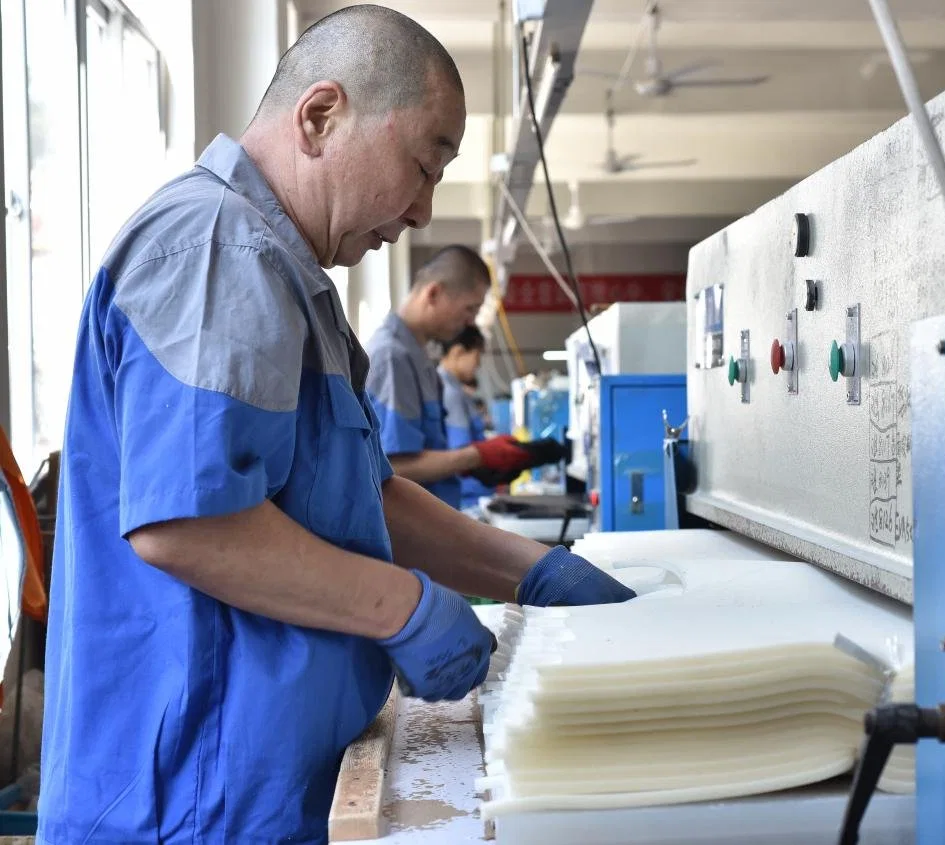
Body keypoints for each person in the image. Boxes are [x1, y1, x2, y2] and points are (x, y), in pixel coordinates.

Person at [40, 6, 635, 843]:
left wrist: (532, 571)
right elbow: (188, 523)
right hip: (190, 804)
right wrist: (402, 605)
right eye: (423, 166)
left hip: (259, 787)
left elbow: (365, 493)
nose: (424, 211)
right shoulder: (217, 248)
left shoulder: (288, 278)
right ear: (321, 117)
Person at [364, 246, 557, 509]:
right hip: (407, 534)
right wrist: (476, 457)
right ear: (434, 293)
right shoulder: (392, 356)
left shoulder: (418, 357)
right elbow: (392, 468)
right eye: (470, 309)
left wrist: (475, 466)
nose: (470, 323)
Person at [435, 326, 498, 512]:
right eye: (477, 357)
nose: (478, 365)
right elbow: (461, 452)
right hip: (467, 500)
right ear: (458, 352)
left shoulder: (451, 388)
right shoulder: (451, 393)